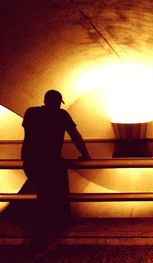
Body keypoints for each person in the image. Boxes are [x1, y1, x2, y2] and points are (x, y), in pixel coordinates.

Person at [21, 89, 91, 251]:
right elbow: (75, 135)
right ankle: (40, 242)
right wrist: (85, 154)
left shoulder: (31, 112)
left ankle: (47, 231)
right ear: (59, 102)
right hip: (49, 162)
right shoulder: (61, 115)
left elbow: (28, 133)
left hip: (30, 161)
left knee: (43, 196)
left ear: (45, 100)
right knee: (45, 199)